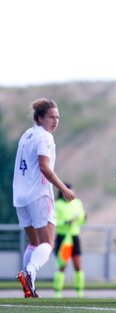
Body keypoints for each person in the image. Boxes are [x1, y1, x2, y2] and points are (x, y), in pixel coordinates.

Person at [13, 98, 75, 298]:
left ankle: (28, 287)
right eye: (51, 117)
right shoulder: (45, 137)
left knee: (34, 243)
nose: (55, 121)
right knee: (48, 243)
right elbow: (44, 167)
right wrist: (63, 188)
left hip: (20, 196)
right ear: (40, 118)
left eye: (57, 117)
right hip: (38, 194)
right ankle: (29, 273)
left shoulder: (27, 134)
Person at [53, 183, 86, 298]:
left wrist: (83, 218)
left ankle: (79, 292)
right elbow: (55, 221)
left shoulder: (77, 203)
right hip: (63, 237)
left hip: (74, 236)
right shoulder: (57, 205)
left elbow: (81, 219)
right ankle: (57, 292)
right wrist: (66, 222)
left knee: (78, 265)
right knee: (62, 265)